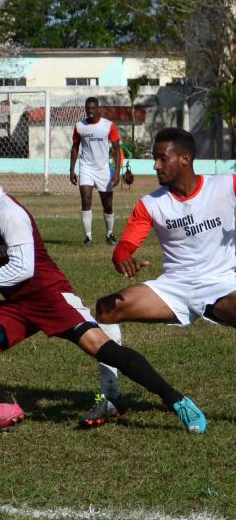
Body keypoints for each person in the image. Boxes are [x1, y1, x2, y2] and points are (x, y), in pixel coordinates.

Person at [0, 148, 205, 434]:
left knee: (105, 350)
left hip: (50, 298)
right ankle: (4, 405)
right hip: (18, 303)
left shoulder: (8, 213)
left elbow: (23, 269)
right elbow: (8, 264)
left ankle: (177, 400)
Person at [87, 127, 233, 429]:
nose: (155, 165)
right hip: (174, 287)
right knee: (106, 309)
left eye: (161, 159)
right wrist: (122, 258)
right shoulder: (152, 203)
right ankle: (111, 397)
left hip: (220, 282)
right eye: (154, 159)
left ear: (184, 159)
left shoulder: (226, 186)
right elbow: (124, 247)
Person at [70, 97, 122, 246]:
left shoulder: (108, 126)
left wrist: (117, 173)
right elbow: (75, 147)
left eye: (93, 108)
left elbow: (117, 150)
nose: (90, 111)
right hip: (86, 167)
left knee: (108, 204)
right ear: (85, 109)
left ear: (98, 109)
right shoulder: (80, 126)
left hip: (103, 169)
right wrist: (72, 170)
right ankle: (88, 237)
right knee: (86, 200)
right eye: (88, 108)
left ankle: (110, 234)